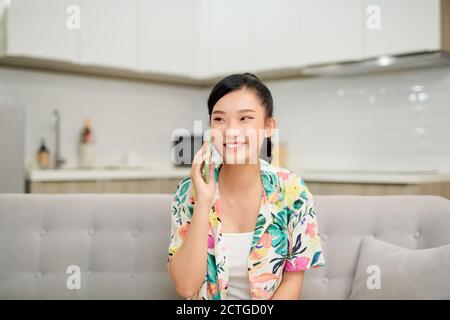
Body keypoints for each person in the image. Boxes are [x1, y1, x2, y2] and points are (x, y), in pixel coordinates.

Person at [167, 73, 325, 300]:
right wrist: (203, 201)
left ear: (268, 126)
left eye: (245, 119)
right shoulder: (189, 190)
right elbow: (185, 287)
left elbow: (292, 285)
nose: (230, 131)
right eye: (219, 119)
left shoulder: (292, 189)